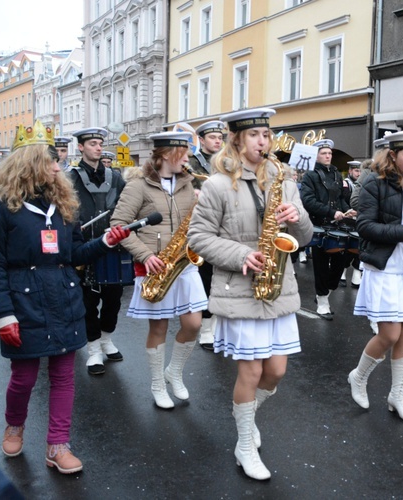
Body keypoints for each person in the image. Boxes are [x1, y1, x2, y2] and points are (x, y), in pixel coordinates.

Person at [0, 120, 131, 474]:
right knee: (24, 378)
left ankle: (58, 445)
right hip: (23, 303)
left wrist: (104, 243)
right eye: (51, 162)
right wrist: (3, 315)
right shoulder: (1, 208)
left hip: (63, 298)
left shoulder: (62, 204)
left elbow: (73, 254)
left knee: (63, 377)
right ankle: (15, 425)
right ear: (30, 163)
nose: (58, 166)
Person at [187, 107, 313, 480]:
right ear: (237, 140)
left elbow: (304, 237)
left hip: (279, 288)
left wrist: (299, 218)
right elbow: (198, 237)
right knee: (251, 369)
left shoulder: (285, 181)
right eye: (256, 135)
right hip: (239, 289)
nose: (264, 141)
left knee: (276, 371)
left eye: (267, 135)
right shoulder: (216, 184)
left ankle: (246, 413)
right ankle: (245, 444)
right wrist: (242, 254)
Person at [110, 131, 208, 410]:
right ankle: (156, 383)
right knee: (159, 327)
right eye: (184, 153)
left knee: (194, 324)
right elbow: (119, 226)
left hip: (183, 262)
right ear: (166, 154)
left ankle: (174, 371)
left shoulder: (189, 183)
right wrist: (145, 255)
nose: (188, 159)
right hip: (155, 264)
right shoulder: (138, 186)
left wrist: (202, 205)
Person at [347, 130, 403, 423]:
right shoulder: (374, 182)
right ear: (393, 155)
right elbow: (365, 226)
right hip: (385, 266)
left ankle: (398, 395)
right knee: (389, 333)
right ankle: (358, 377)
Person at [69, 127, 127, 376]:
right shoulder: (69, 178)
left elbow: (128, 205)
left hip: (113, 247)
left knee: (113, 299)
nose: (98, 147)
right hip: (84, 248)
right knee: (89, 301)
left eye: (100, 143)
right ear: (81, 147)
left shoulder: (115, 177)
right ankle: (93, 349)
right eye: (92, 143)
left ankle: (106, 339)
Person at [300, 138, 354, 319]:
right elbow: (308, 201)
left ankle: (325, 293)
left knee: (340, 264)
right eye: (324, 153)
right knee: (321, 266)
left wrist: (347, 210)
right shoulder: (310, 175)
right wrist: (331, 212)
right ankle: (322, 302)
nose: (328, 156)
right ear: (316, 156)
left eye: (329, 153)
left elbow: (340, 199)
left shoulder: (337, 174)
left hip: (337, 224)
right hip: (318, 225)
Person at [187, 120, 226, 350]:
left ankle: (221, 325)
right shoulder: (191, 163)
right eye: (213, 137)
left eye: (220, 138)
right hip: (202, 226)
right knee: (206, 278)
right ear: (201, 140)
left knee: (225, 278)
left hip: (226, 226)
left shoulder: (227, 162)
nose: (218, 141)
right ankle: (207, 329)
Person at [340, 160, 362, 288]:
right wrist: (348, 211)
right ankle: (342, 271)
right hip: (348, 219)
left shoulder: (363, 183)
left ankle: (356, 274)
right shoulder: (345, 184)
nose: (358, 173)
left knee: (359, 249)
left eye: (359, 171)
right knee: (347, 248)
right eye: (356, 171)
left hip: (359, 219)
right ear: (350, 171)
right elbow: (342, 199)